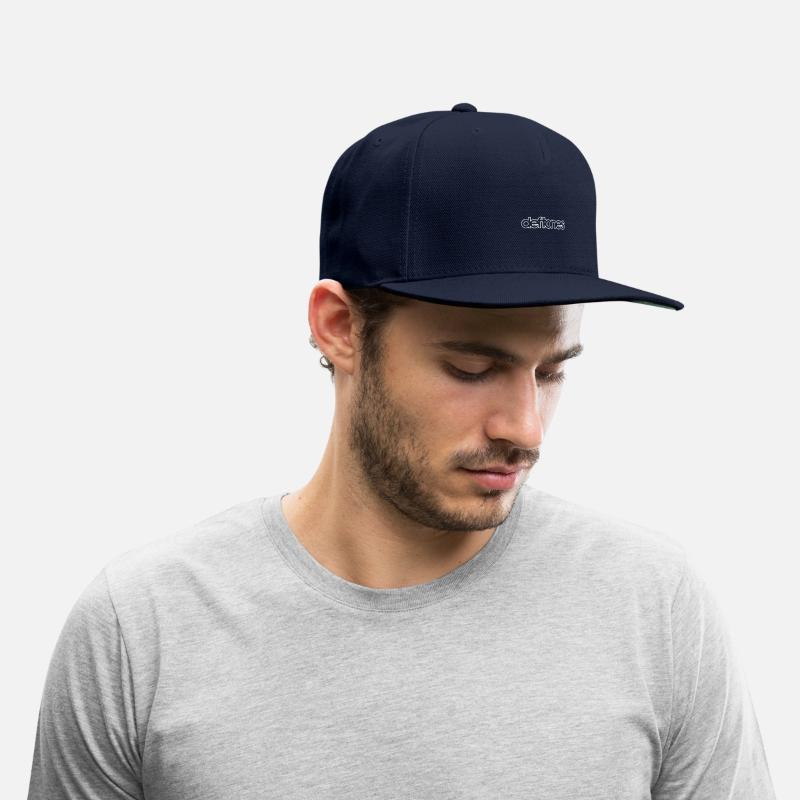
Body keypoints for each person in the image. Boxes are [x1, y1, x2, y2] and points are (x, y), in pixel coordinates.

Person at [28, 104, 776, 799]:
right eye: (472, 367)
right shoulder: (145, 628)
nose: (527, 429)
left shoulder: (652, 605)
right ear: (339, 328)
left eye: (551, 372)